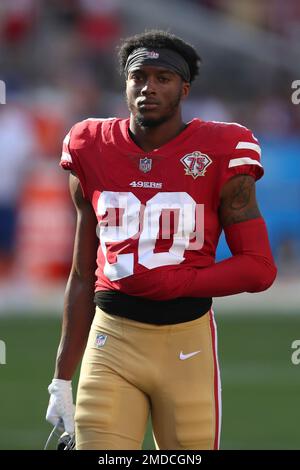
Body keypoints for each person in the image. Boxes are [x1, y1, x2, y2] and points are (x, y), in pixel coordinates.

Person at [46, 30, 277, 450]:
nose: (149, 87)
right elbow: (82, 274)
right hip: (110, 339)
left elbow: (259, 267)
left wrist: (181, 282)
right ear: (125, 84)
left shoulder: (220, 148)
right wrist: (61, 377)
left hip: (185, 342)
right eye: (139, 77)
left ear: (184, 88)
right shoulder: (90, 145)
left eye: (163, 77)